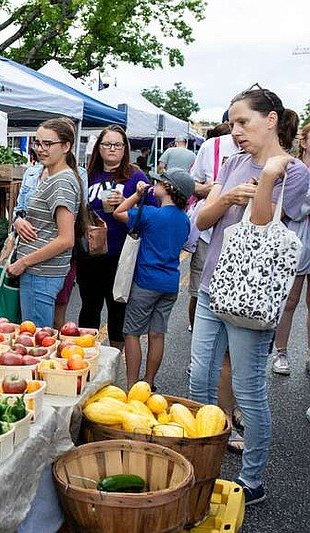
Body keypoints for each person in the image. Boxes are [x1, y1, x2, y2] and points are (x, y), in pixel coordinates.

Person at [190, 85, 309, 505]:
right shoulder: (234, 162)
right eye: (232, 122)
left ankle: (252, 478)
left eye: (243, 121)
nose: (235, 130)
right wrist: (225, 197)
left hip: (253, 298)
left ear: (271, 120)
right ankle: (203, 454)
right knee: (198, 376)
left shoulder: (294, 173)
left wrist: (270, 178)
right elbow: (202, 221)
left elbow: (262, 223)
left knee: (248, 388)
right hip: (213, 284)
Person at [113, 169, 193, 388]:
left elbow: (118, 212)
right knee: (157, 333)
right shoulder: (184, 220)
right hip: (170, 283)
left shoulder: (150, 213)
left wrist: (137, 196)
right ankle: (149, 381)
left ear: (168, 188)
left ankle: (132, 386)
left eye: (159, 182)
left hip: (146, 282)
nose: (154, 184)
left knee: (132, 333)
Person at [77, 125, 154, 350]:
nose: (112, 149)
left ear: (125, 149)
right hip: (89, 253)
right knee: (89, 308)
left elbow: (149, 213)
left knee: (117, 310)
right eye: (107, 144)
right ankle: (86, 358)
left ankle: (113, 364)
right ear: (98, 148)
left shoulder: (136, 176)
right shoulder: (87, 175)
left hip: (121, 254)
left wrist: (126, 205)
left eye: (118, 145)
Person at [8, 118, 83, 327]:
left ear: (66, 146)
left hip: (41, 274)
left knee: (37, 341)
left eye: (47, 144)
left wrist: (23, 262)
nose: (40, 149)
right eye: (37, 143)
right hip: (39, 273)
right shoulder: (51, 175)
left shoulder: (61, 181)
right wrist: (18, 221)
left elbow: (66, 239)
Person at [187, 121, 238, 330]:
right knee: (199, 293)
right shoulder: (212, 146)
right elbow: (191, 184)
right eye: (236, 123)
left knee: (233, 298)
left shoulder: (265, 152)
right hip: (208, 234)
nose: (238, 130)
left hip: (242, 240)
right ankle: (197, 338)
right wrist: (210, 190)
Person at [272, 122, 310, 375]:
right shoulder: (292, 168)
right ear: (304, 141)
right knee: (289, 300)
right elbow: (281, 207)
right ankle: (281, 352)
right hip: (295, 237)